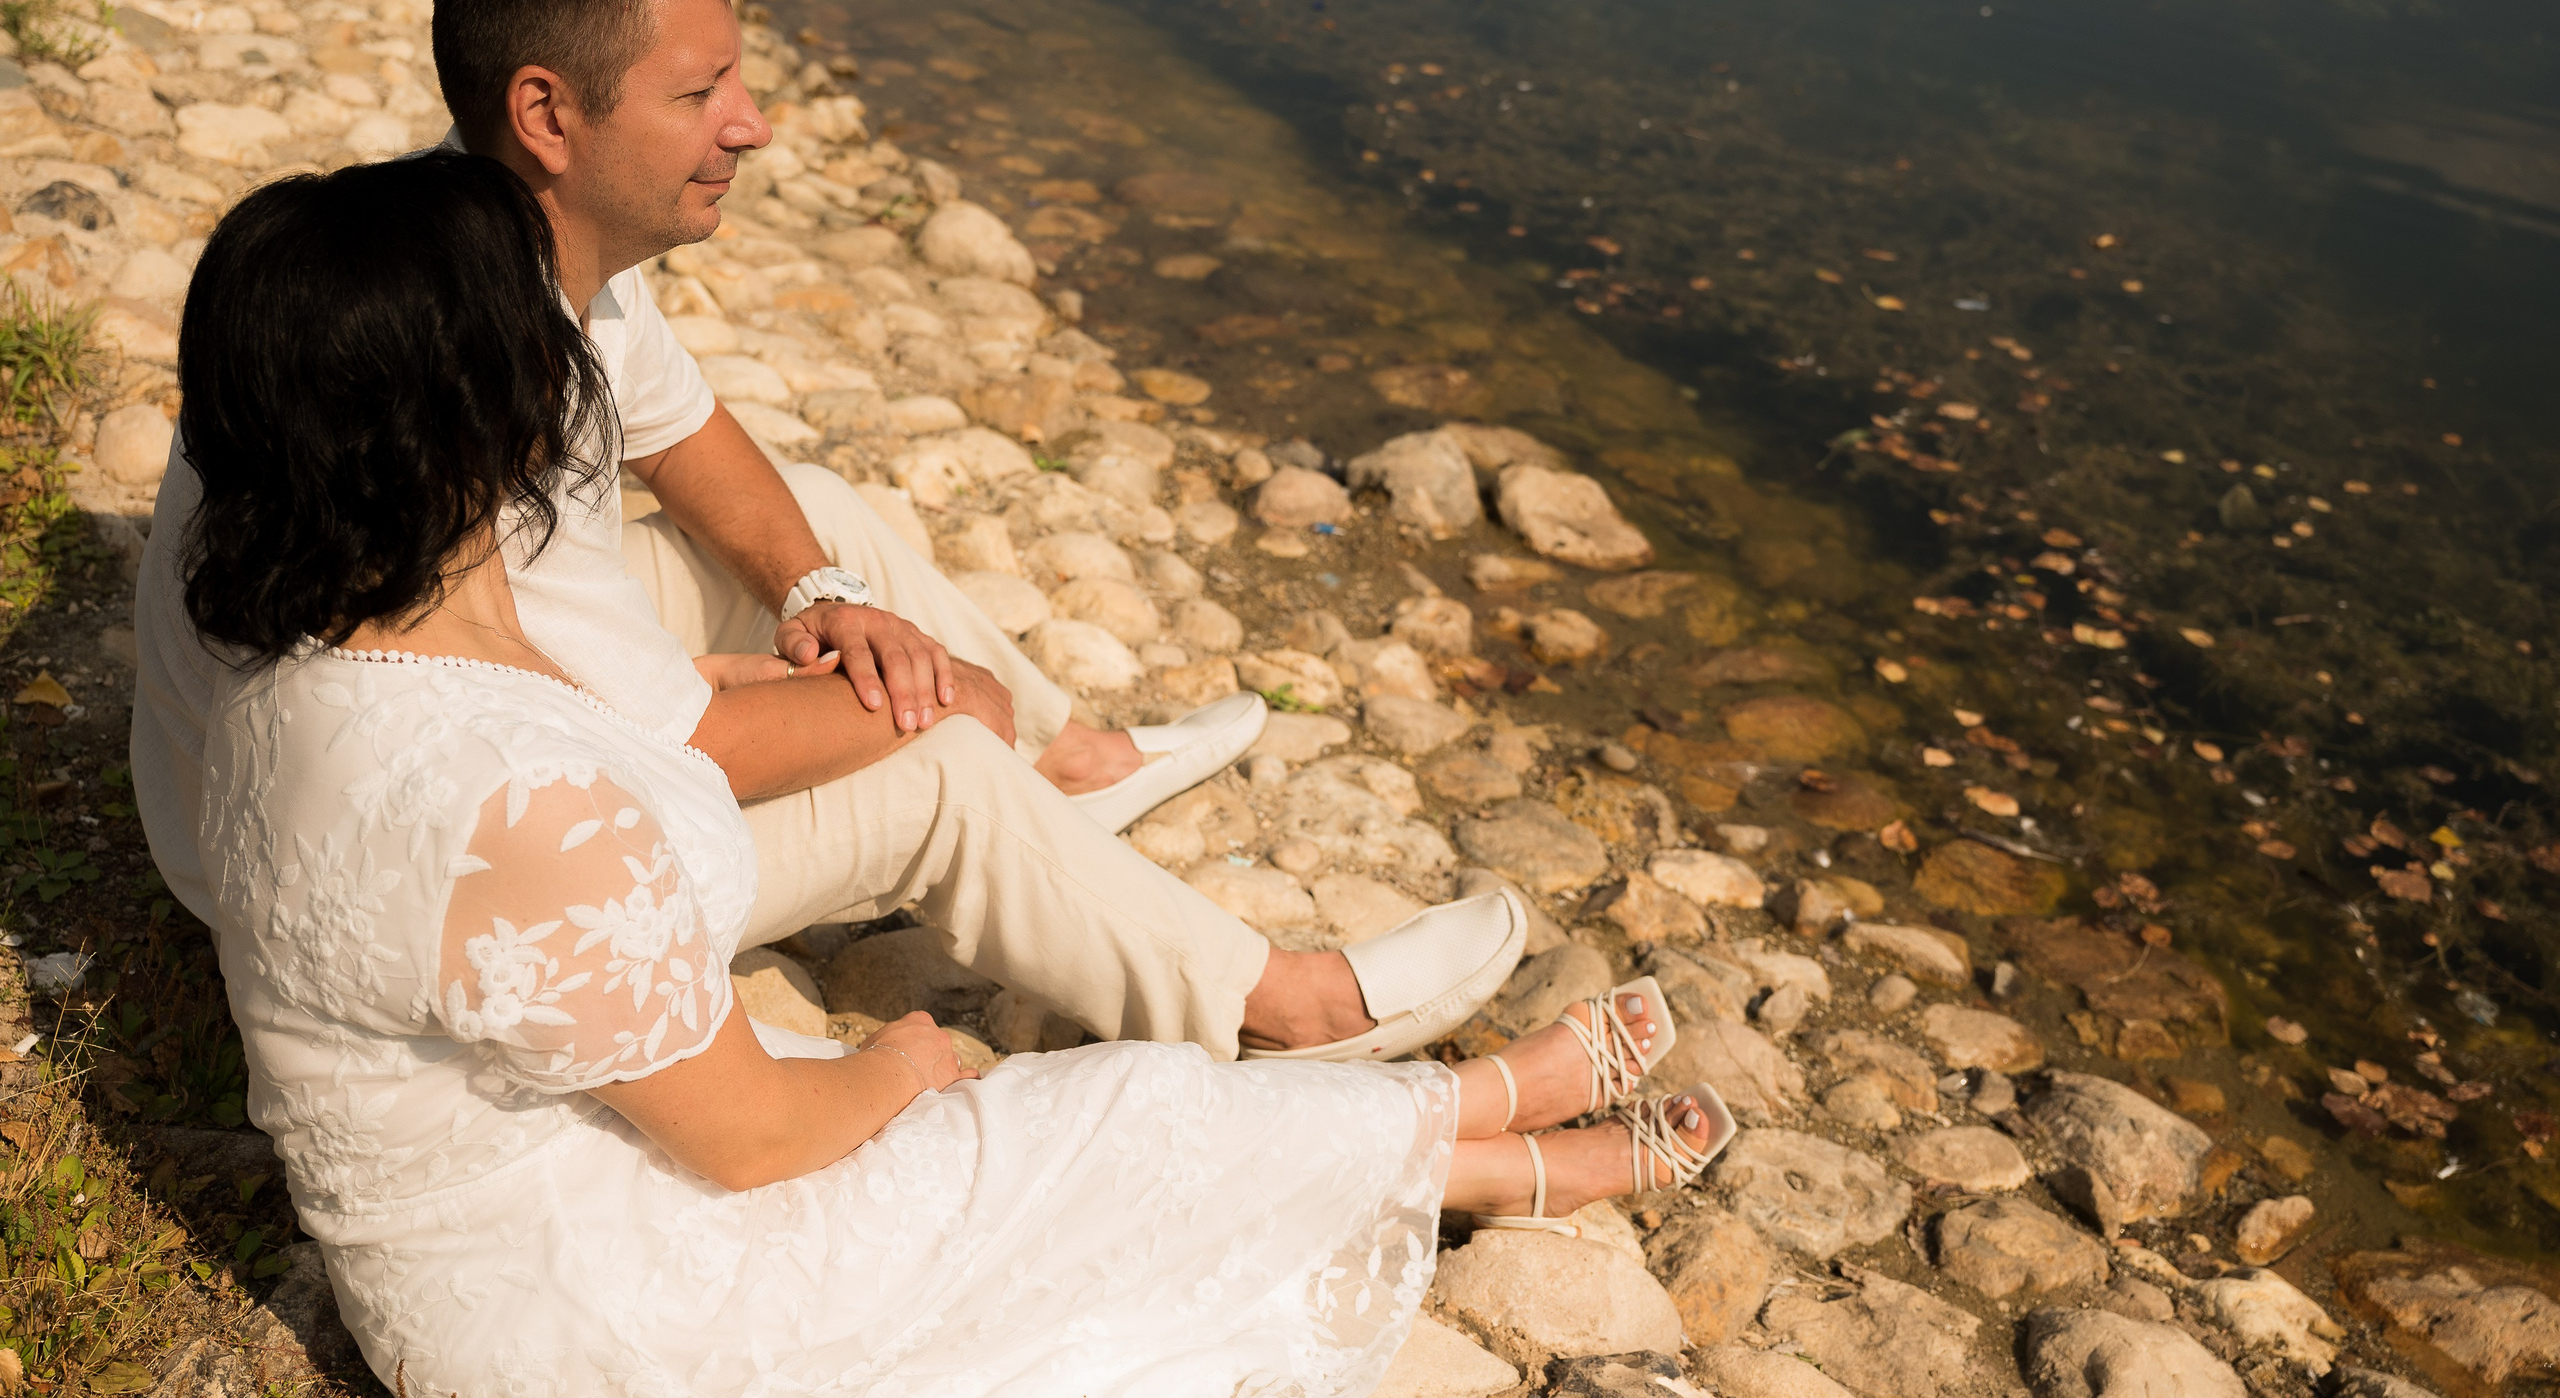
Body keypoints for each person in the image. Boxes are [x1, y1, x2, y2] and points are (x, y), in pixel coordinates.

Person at [177, 152, 1735, 1396]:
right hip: (600, 1318)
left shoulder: (299, 654)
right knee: (1100, 1116)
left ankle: (1456, 1121)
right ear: (465, 435)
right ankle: (1480, 1144)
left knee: (1086, 1106)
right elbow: (749, 1138)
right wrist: (902, 1062)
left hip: (467, 1245)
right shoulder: (513, 803)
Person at [130, 0, 1525, 1065]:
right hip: (387, 881)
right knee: (935, 776)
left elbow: (682, 434)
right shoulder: (458, 384)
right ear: (549, 116)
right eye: (701, 92)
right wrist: (941, 705)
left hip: (419, 758)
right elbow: (668, 747)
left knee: (835, 522)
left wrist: (820, 593)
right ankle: (1285, 1004)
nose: (755, 123)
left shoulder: (493, 243)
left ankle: (1073, 770)